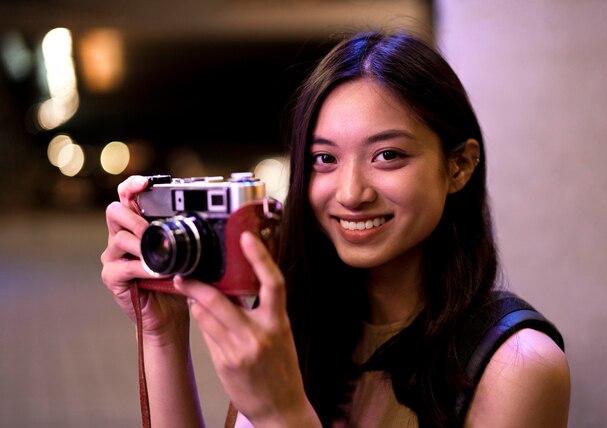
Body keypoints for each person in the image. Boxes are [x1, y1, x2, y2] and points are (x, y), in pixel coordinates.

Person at [101, 31, 570, 427]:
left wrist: (283, 411)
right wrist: (161, 333)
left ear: (459, 166)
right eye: (324, 159)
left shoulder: (517, 364)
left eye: (387, 155)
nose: (350, 192)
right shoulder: (296, 315)